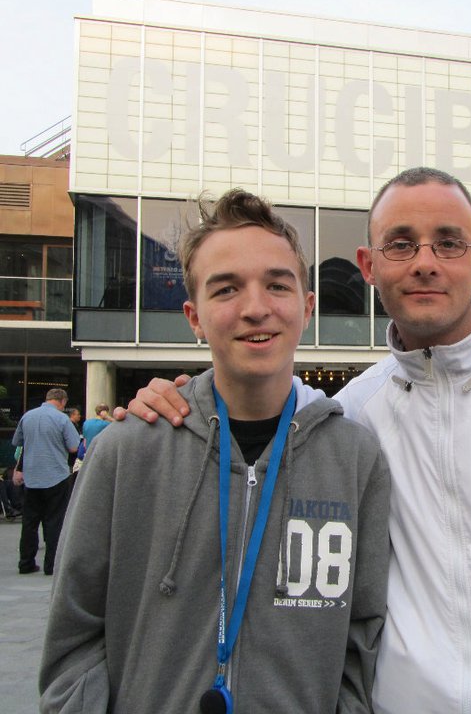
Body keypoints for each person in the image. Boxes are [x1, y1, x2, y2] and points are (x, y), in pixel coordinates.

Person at [121, 167, 471, 713]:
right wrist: (177, 399)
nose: (425, 262)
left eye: (449, 243)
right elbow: (257, 400)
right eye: (401, 244)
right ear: (369, 265)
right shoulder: (355, 410)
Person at [39, 189, 390, 714]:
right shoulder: (126, 452)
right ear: (194, 316)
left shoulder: (356, 459)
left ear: (307, 308)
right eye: (226, 289)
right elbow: (73, 634)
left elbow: (362, 635)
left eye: (277, 285)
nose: (256, 308)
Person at [11, 388, 80, 575]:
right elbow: (74, 447)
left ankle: (25, 563)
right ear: (62, 401)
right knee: (54, 521)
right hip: (56, 475)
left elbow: (18, 442)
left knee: (29, 522)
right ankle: (51, 565)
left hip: (32, 476)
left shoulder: (27, 416)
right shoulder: (62, 419)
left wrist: (20, 469)